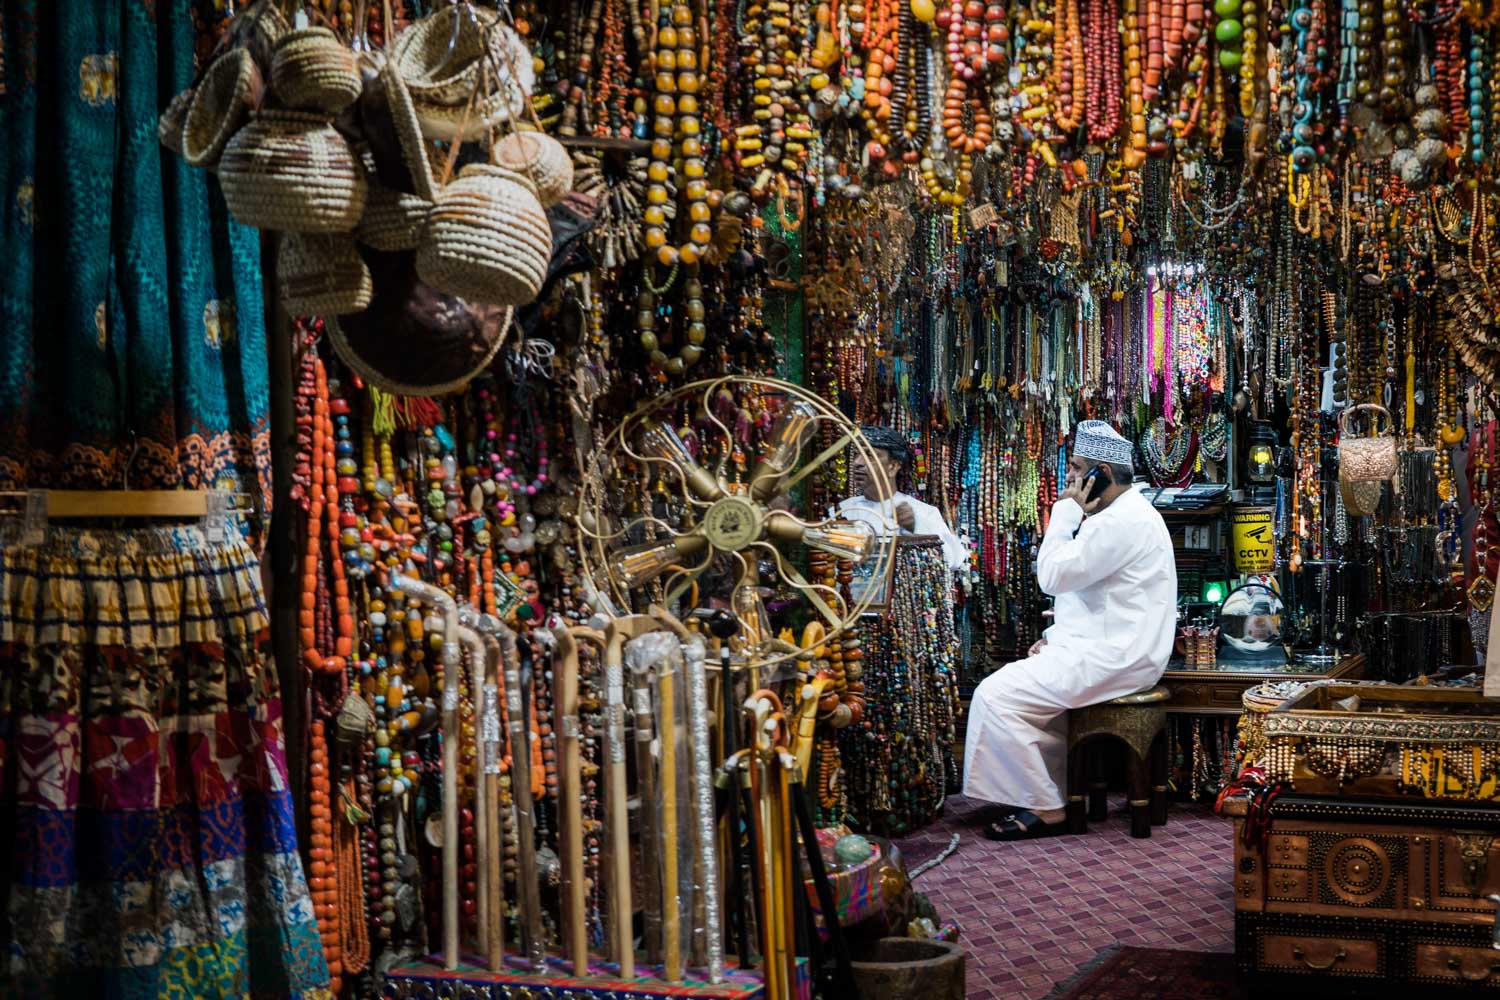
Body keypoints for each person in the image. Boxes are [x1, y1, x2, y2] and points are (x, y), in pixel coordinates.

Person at [962, 419, 1177, 841]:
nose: (1071, 480)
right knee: (1021, 696)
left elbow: (1053, 576)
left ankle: (1046, 807)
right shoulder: (1121, 514)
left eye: (1078, 469)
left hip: (1118, 657)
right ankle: (1045, 790)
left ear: (1105, 475)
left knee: (995, 696)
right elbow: (1099, 598)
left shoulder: (1121, 522)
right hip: (1108, 648)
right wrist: (1057, 639)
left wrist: (1063, 514)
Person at [837, 426, 969, 577]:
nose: (857, 463)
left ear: (893, 466)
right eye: (856, 455)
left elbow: (954, 560)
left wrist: (915, 528)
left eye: (870, 455)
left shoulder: (922, 512)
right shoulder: (841, 510)